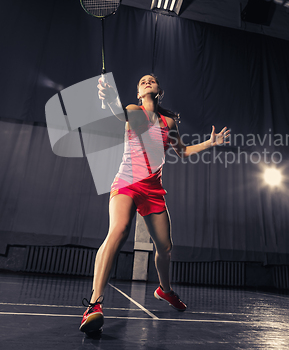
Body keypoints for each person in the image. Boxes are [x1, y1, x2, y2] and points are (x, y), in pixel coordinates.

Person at [79, 74, 230, 333]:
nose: (147, 81)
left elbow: (181, 151)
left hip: (153, 189)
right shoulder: (133, 110)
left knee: (165, 248)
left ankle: (165, 290)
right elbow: (120, 114)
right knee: (118, 231)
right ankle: (94, 305)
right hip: (127, 182)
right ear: (138, 93)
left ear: (159, 90)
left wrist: (210, 142)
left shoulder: (168, 121)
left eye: (152, 80)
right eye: (142, 81)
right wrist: (109, 99)